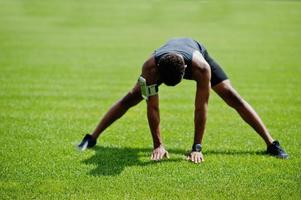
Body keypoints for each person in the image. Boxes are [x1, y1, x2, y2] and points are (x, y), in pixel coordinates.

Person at [78, 37, 288, 163]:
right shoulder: (150, 68)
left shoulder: (201, 68)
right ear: (159, 72)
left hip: (196, 51)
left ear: (186, 72)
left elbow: (201, 108)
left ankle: (272, 144)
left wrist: (197, 147)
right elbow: (153, 107)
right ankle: (91, 137)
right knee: (131, 97)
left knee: (232, 97)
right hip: (163, 62)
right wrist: (158, 145)